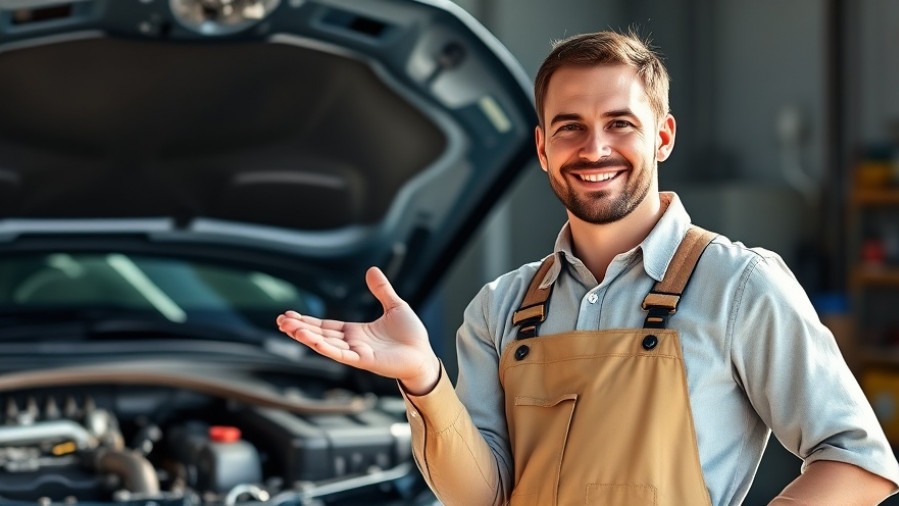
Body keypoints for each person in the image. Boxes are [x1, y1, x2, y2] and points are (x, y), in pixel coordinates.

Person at [276, 29, 899, 505]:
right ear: (543, 148)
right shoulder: (500, 308)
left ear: (663, 136)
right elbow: (480, 496)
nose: (594, 148)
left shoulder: (738, 285)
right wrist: (423, 379)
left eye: (619, 124)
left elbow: (858, 461)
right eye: (570, 127)